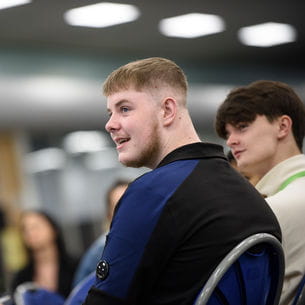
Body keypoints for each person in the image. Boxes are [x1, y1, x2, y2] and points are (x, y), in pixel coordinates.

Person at [83, 57, 281, 305]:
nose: (110, 124)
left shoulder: (151, 193)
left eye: (124, 109)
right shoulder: (251, 195)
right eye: (110, 112)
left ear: (167, 110)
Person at [215, 80, 305, 305]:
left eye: (242, 126)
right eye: (228, 132)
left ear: (283, 126)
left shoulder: (274, 209)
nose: (231, 141)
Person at [72, 179, 129, 287]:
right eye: (118, 206)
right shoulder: (99, 252)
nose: (127, 210)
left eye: (131, 202)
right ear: (109, 215)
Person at [10, 210, 77, 298]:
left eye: (36, 227)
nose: (30, 233)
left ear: (53, 229)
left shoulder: (75, 267)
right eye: (25, 229)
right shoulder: (21, 278)